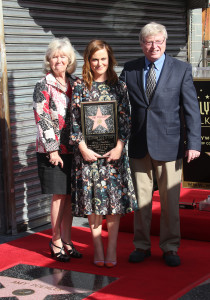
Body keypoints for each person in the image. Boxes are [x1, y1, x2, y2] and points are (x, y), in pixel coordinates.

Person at [120, 22, 201, 267]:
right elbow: (118, 103)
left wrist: (193, 143)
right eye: (148, 42)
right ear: (141, 44)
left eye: (158, 41)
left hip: (170, 145)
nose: (153, 46)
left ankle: (170, 247)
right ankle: (142, 246)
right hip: (139, 146)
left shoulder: (182, 69)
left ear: (165, 43)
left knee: (169, 203)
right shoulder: (130, 69)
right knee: (141, 202)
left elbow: (191, 110)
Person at [70, 40, 138, 268]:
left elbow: (126, 120)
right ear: (88, 61)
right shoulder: (80, 86)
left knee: (113, 204)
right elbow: (74, 123)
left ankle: (111, 249)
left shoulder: (119, 86)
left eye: (103, 59)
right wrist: (82, 149)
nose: (99, 63)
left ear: (110, 60)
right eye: (94, 59)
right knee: (94, 204)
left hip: (114, 156)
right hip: (88, 157)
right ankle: (97, 248)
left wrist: (119, 147)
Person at [33, 37, 82, 262]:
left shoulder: (77, 83)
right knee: (59, 196)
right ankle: (55, 241)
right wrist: (53, 150)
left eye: (63, 56)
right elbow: (42, 118)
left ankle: (68, 241)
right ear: (49, 60)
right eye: (54, 56)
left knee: (69, 197)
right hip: (52, 151)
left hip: (74, 149)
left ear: (70, 59)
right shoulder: (43, 85)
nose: (59, 60)